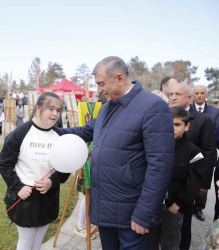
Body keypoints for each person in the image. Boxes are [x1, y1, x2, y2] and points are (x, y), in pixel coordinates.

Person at [57, 56, 175, 249]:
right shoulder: (106, 108)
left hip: (133, 216)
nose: (99, 90)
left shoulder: (153, 107)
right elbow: (85, 131)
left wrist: (144, 214)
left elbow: (160, 167)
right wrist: (46, 130)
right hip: (106, 212)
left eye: (101, 84)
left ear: (120, 78)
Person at [0, 92, 70, 250]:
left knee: (39, 239)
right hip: (25, 198)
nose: (55, 114)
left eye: (58, 110)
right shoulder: (20, 134)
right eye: (51, 109)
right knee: (27, 239)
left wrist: (52, 181)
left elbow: (65, 168)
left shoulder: (60, 136)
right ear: (38, 109)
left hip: (48, 198)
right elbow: (4, 164)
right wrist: (18, 187)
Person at [168, 81, 216, 250]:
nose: (173, 97)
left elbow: (210, 153)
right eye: (170, 94)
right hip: (167, 186)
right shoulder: (162, 117)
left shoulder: (203, 120)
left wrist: (204, 184)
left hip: (188, 184)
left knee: (184, 226)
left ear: (189, 98)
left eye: (178, 94)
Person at [150, 106, 205, 249]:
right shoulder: (154, 146)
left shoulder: (193, 152)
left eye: (177, 124)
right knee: (150, 242)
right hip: (152, 205)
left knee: (171, 242)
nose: (172, 128)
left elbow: (193, 183)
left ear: (187, 126)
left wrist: (178, 205)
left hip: (173, 208)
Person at [192, 85, 219, 221]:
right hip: (191, 152)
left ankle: (199, 208)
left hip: (207, 152)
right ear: (193, 95)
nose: (199, 95)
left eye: (202, 93)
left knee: (204, 180)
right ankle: (188, 205)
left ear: (206, 95)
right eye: (196, 93)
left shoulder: (215, 112)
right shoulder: (188, 111)